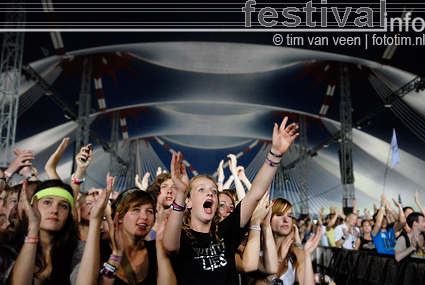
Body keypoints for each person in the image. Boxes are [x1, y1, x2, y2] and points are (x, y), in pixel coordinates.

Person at [163, 117, 299, 284]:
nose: (210, 194)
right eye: (201, 190)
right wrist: (181, 194)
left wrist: (275, 154)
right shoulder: (182, 236)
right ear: (188, 202)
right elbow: (169, 247)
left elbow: (255, 193)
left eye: (214, 191)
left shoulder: (225, 233)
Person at [8, 179, 80, 284]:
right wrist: (33, 227)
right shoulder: (11, 249)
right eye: (47, 202)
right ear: (33, 206)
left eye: (63, 206)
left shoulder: (75, 252)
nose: (55, 210)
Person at [98, 187, 176, 284]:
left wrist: (160, 246)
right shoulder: (100, 249)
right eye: (136, 209)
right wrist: (116, 256)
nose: (144, 216)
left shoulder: (154, 250)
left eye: (149, 211)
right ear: (120, 216)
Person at [251, 198, 323, 285]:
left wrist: (307, 255)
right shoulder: (254, 252)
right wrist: (278, 261)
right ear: (267, 217)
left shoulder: (296, 253)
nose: (286, 219)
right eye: (280, 214)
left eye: (289, 216)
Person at [146, 173, 177, 240]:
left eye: (174, 187)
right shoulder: (144, 225)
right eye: (164, 187)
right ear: (155, 191)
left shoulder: (181, 227)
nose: (169, 191)